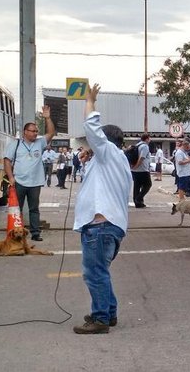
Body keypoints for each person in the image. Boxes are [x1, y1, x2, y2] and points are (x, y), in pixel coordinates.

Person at [72, 83, 132, 335]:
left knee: (94, 273)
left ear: (105, 142)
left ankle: (100, 319)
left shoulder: (108, 153)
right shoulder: (113, 160)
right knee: (100, 272)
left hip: (100, 226)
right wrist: (89, 160)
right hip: (108, 226)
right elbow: (97, 186)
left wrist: (90, 102)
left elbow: (92, 128)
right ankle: (108, 312)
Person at [4, 104, 56, 242]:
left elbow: (51, 133)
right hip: (19, 182)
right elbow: (7, 161)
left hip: (35, 182)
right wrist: (10, 177)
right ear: (25, 132)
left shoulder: (40, 143)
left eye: (36, 131)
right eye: (32, 131)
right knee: (17, 210)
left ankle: (35, 233)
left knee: (34, 209)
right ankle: (15, 233)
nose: (35, 133)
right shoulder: (15, 144)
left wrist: (47, 118)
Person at [130, 133, 151, 208]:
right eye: (149, 138)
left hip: (134, 170)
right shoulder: (145, 146)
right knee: (148, 184)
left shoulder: (137, 145)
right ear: (147, 139)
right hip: (142, 169)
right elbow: (142, 158)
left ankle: (138, 203)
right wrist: (136, 166)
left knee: (137, 186)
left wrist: (133, 167)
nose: (150, 140)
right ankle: (138, 199)